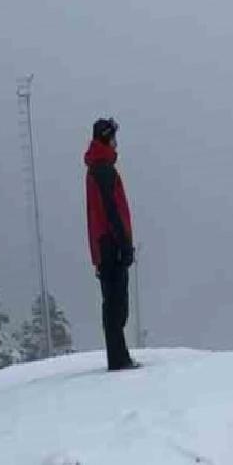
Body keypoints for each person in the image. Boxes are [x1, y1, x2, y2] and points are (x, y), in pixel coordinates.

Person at [84, 117, 138, 371]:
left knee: (114, 303)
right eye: (114, 137)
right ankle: (118, 359)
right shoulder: (103, 169)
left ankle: (119, 356)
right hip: (111, 245)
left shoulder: (98, 167)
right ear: (107, 138)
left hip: (105, 245)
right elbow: (112, 212)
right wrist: (124, 246)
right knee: (117, 304)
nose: (117, 142)